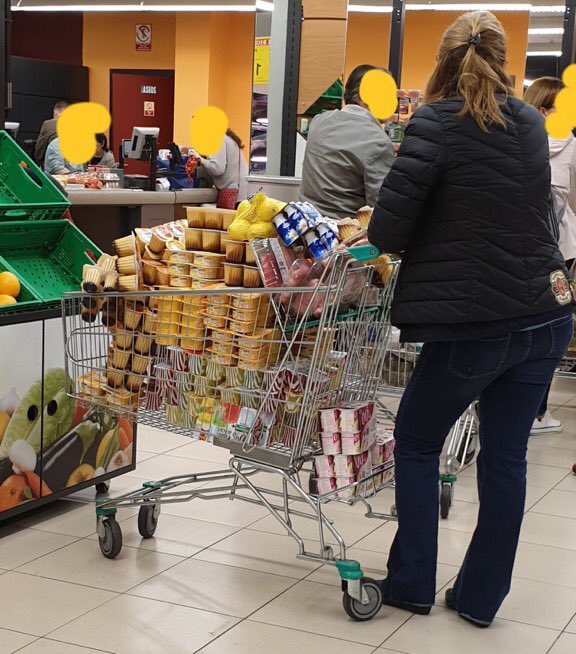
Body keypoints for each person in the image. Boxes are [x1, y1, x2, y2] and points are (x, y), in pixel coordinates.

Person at [367, 11, 573, 628]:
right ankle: (481, 600)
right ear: (504, 59)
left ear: (441, 60)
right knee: (506, 459)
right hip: (543, 316)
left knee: (418, 440)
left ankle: (411, 584)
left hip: (473, 322)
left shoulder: (432, 122)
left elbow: (389, 229)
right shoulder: (533, 123)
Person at [524, 77, 576, 433]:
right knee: (553, 330)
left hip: (521, 248)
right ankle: (538, 412)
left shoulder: (515, 141)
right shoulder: (571, 145)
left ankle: (512, 406)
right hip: (561, 251)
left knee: (520, 328)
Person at [299, 64, 395, 219]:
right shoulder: (378, 142)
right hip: (347, 235)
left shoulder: (319, 121)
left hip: (307, 227)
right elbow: (380, 210)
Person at [193, 129, 248, 206]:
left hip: (235, 194)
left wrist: (200, 159)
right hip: (241, 191)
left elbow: (217, 169)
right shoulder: (224, 137)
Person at [35, 100, 68, 167]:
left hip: (56, 167)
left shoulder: (49, 124)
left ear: (55, 111)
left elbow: (40, 149)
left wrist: (39, 162)